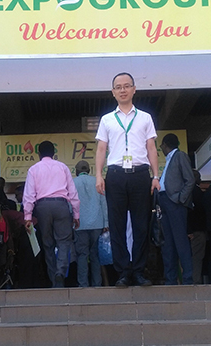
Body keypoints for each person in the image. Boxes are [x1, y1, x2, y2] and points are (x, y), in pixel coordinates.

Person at [95, 72, 160, 287]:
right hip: (115, 175)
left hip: (140, 175)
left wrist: (155, 176)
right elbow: (101, 149)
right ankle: (123, 272)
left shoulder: (145, 117)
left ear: (134, 89)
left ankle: (139, 271)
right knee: (117, 225)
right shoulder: (106, 119)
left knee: (142, 225)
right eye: (118, 87)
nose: (122, 90)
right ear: (113, 92)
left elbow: (151, 148)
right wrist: (99, 175)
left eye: (126, 86)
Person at [23, 140, 80, 288]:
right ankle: (60, 271)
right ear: (54, 153)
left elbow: (29, 195)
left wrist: (28, 216)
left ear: (39, 154)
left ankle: (54, 280)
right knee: (64, 241)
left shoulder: (34, 169)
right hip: (61, 205)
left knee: (47, 244)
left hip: (42, 207)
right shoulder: (62, 167)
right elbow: (73, 192)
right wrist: (76, 214)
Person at [158, 133, 195, 285]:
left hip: (175, 203)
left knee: (180, 241)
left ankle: (187, 278)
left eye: (161, 146)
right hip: (165, 203)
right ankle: (170, 279)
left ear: (165, 145)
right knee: (168, 244)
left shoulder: (180, 156)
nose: (161, 149)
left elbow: (190, 179)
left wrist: (180, 198)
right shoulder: (169, 159)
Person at [73, 160, 109, 287]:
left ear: (76, 171)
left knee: (82, 254)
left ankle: (83, 284)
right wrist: (106, 223)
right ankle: (97, 284)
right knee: (95, 254)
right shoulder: (97, 182)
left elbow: (70, 204)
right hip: (97, 223)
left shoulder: (72, 183)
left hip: (79, 224)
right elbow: (104, 204)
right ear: (89, 171)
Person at [188, 169, 207, 284]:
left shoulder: (187, 191)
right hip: (197, 230)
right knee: (197, 257)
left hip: (192, 229)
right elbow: (194, 212)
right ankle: (195, 281)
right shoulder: (196, 192)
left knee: (191, 256)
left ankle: (189, 280)